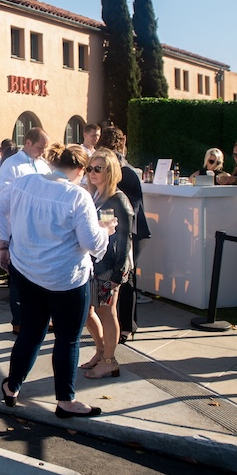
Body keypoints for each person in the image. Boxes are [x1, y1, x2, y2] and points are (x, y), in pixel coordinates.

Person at [0, 145, 116, 419]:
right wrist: (105, 230)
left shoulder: (24, 183)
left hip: (27, 271)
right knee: (68, 340)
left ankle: (12, 387)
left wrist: (3, 244)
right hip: (65, 278)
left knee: (31, 332)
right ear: (80, 170)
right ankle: (65, 400)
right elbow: (92, 243)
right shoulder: (77, 196)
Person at [0, 127, 51, 333]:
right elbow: (1, 197)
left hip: (40, 230)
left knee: (40, 277)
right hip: (18, 229)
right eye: (40, 147)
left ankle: (41, 316)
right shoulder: (12, 165)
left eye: (44, 148)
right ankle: (19, 320)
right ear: (28, 143)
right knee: (19, 278)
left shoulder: (42, 165)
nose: (42, 152)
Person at [80, 149, 134, 380]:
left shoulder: (118, 199)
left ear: (110, 171)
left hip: (111, 265)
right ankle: (101, 353)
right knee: (88, 311)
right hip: (95, 262)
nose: (92, 173)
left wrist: (119, 273)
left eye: (98, 169)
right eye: (90, 168)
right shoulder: (95, 196)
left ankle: (110, 361)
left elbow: (124, 239)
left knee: (106, 311)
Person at [96, 126, 151, 338]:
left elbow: (131, 210)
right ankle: (116, 324)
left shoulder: (126, 173)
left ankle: (127, 326)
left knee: (126, 278)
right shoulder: (112, 170)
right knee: (115, 278)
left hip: (131, 232)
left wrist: (108, 225)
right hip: (116, 232)